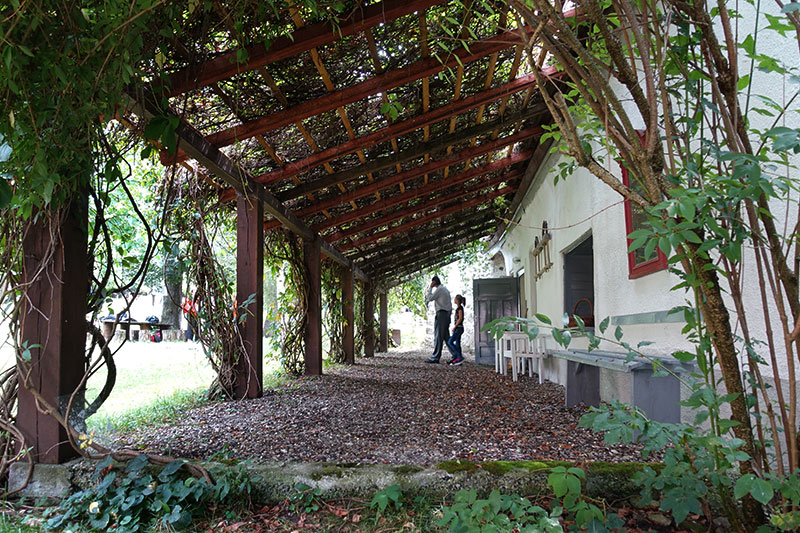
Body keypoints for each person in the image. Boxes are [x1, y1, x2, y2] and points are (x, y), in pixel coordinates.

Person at [423, 275, 452, 363]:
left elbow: (429, 298)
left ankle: (435, 357)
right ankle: (456, 355)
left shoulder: (439, 289)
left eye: (432, 282)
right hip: (447, 314)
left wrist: (430, 288)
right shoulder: (444, 289)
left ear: (434, 282)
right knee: (446, 336)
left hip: (441, 314)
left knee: (438, 335)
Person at [446, 294, 466, 365]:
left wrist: (455, 326)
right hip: (458, 328)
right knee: (457, 343)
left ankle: (459, 356)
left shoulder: (460, 308)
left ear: (457, 300)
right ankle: (458, 359)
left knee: (450, 342)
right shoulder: (458, 308)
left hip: (459, 328)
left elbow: (460, 318)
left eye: (455, 299)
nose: (454, 300)